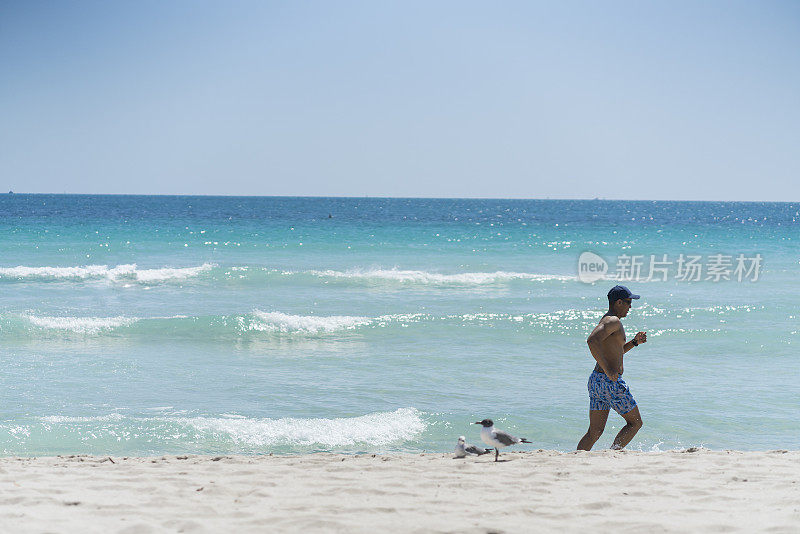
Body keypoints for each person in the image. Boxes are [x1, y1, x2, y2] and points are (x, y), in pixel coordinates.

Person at [577, 285, 647, 451]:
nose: (631, 307)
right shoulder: (612, 321)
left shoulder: (609, 321)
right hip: (609, 382)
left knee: (594, 432)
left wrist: (634, 342)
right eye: (629, 302)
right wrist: (608, 370)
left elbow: (616, 352)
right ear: (619, 302)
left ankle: (575, 458)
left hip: (597, 381)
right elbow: (591, 341)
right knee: (635, 423)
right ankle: (613, 453)